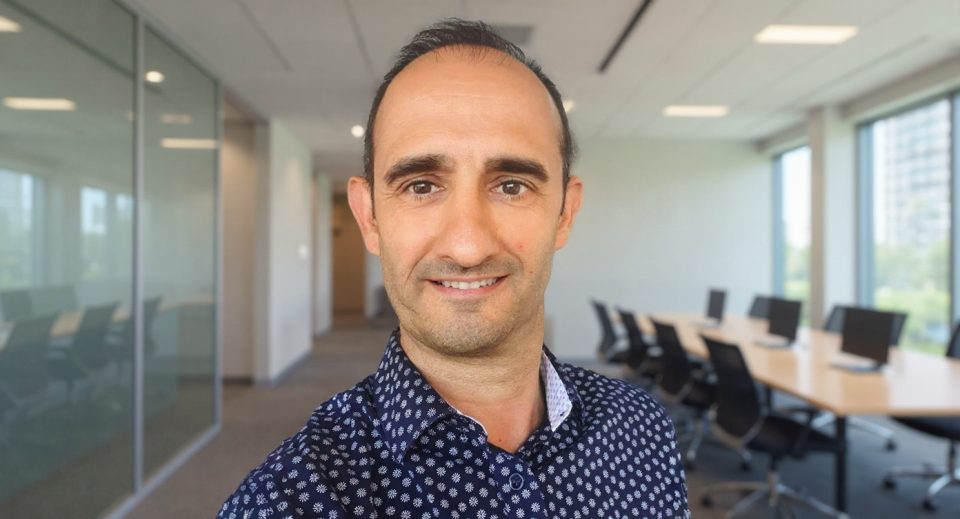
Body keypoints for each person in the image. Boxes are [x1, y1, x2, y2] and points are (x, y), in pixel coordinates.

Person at [218, 18, 689, 519]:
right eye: (421, 186)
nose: (467, 247)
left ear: (564, 214)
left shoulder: (643, 428)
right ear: (369, 217)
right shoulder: (287, 503)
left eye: (511, 185)